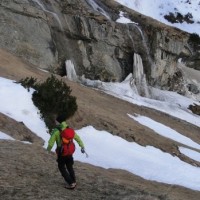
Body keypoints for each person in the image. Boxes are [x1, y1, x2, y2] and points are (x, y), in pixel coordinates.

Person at [47, 115, 85, 189]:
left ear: (58, 122)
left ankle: (71, 183)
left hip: (62, 152)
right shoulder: (69, 129)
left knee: (61, 167)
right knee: (69, 166)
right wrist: (82, 146)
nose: (55, 122)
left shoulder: (56, 131)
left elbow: (51, 142)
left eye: (56, 121)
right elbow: (78, 138)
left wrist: (48, 150)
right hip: (69, 152)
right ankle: (73, 181)